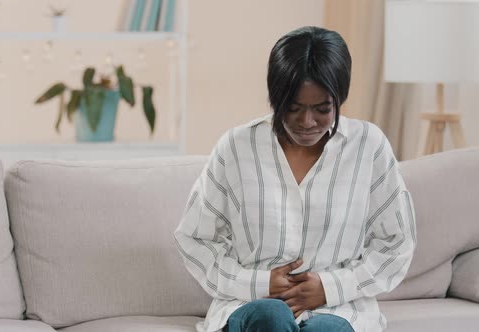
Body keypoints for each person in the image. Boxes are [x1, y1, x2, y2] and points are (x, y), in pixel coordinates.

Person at [174, 26, 417, 332]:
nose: (307, 122)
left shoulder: (369, 146)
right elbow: (195, 237)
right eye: (293, 108)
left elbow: (397, 241)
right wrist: (261, 283)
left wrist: (330, 287)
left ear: (339, 99)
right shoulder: (236, 147)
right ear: (276, 98)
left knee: (325, 330)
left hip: (339, 310)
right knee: (271, 317)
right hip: (252, 306)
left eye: (322, 109)